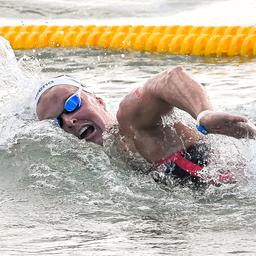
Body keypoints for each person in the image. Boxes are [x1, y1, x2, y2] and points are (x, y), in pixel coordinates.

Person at [35, 67, 256, 187]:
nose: (69, 121)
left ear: (98, 100)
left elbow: (170, 78)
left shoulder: (131, 120)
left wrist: (204, 114)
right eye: (57, 122)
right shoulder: (103, 161)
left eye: (71, 104)